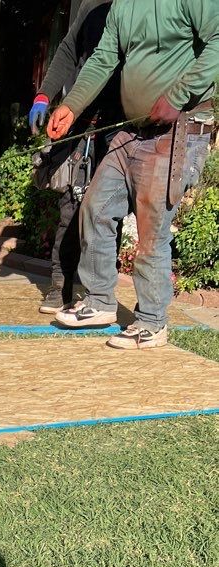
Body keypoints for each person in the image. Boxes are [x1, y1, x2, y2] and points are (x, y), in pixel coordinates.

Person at [47, 0, 217, 348]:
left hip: (180, 130)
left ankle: (152, 321)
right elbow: (103, 57)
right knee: (96, 206)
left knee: (151, 225)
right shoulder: (123, 6)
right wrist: (71, 104)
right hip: (134, 131)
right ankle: (99, 302)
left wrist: (179, 95)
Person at [28, 0, 121, 313]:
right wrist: (44, 96)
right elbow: (68, 51)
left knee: (108, 207)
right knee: (71, 200)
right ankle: (61, 284)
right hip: (79, 116)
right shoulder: (90, 6)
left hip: (120, 119)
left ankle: (98, 293)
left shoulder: (142, 8)